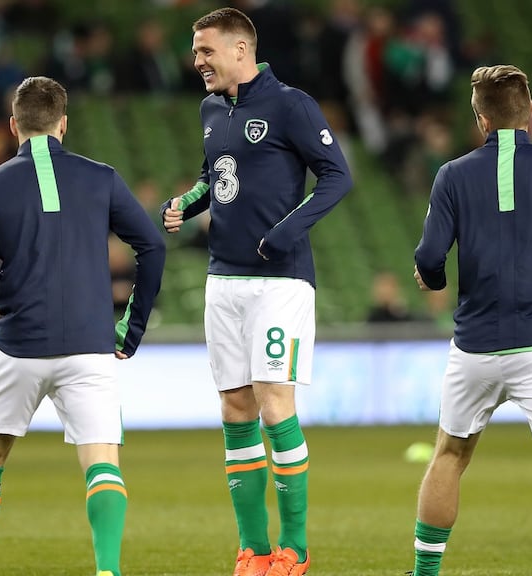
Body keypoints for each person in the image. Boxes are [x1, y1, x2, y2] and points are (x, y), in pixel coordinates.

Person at [0, 76, 165, 576]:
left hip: (18, 345)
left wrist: (10, 301)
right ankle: (107, 571)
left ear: (13, 126)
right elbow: (152, 245)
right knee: (102, 463)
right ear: (63, 124)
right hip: (89, 345)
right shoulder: (101, 177)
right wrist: (133, 325)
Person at [161, 8, 352, 576]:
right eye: (195, 52)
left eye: (206, 51)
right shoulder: (211, 109)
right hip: (223, 278)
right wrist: (187, 203)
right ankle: (254, 549)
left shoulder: (291, 105)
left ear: (240, 49)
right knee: (235, 407)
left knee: (274, 402)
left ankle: (295, 547)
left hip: (280, 282)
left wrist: (288, 230)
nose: (198, 61)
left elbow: (337, 175)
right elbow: (215, 176)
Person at [412, 64, 532, 576]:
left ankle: (425, 572)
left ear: (480, 119)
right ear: (531, 113)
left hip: (475, 346)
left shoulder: (452, 174)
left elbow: (429, 256)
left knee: (449, 456)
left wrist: (433, 280)